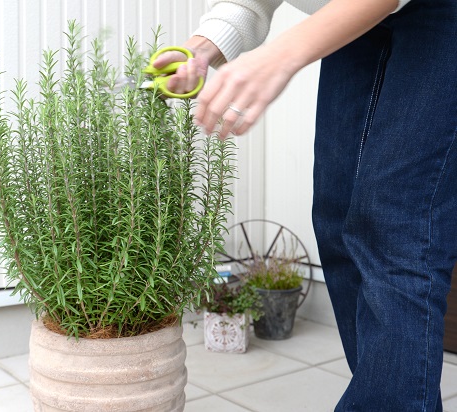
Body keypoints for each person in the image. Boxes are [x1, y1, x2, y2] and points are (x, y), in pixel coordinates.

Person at [154, 0, 457, 411]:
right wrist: (202, 48)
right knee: (337, 214)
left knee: (395, 225)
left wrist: (278, 57)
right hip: (353, 12)